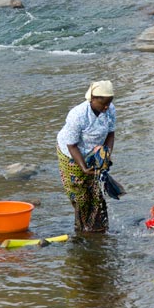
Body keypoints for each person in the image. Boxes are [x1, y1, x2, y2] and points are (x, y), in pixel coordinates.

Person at [57, 80, 116, 232]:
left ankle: (97, 226)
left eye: (109, 103)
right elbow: (71, 145)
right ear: (93, 99)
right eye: (103, 103)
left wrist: (106, 155)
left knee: (95, 191)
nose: (106, 107)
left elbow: (111, 134)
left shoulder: (109, 110)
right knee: (80, 193)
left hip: (93, 152)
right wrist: (83, 167)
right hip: (71, 154)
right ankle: (83, 228)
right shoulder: (78, 115)